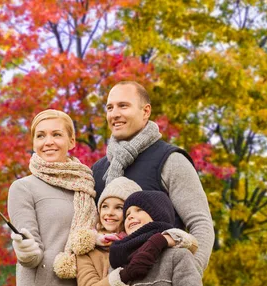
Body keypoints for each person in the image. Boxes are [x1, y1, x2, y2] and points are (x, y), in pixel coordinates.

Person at [92, 81, 215, 274]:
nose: (114, 114)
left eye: (123, 106)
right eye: (110, 108)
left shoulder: (170, 160)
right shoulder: (99, 171)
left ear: (145, 111)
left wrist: (188, 277)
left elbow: (200, 224)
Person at [72, 177, 198, 286]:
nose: (131, 215)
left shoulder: (177, 255)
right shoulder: (118, 263)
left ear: (158, 213)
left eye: (138, 209)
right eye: (129, 211)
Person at [7, 109, 98, 286]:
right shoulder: (23, 188)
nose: (48, 141)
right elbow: (31, 252)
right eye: (41, 135)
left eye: (56, 134)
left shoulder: (88, 186)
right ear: (34, 142)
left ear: (71, 141)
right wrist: (25, 250)